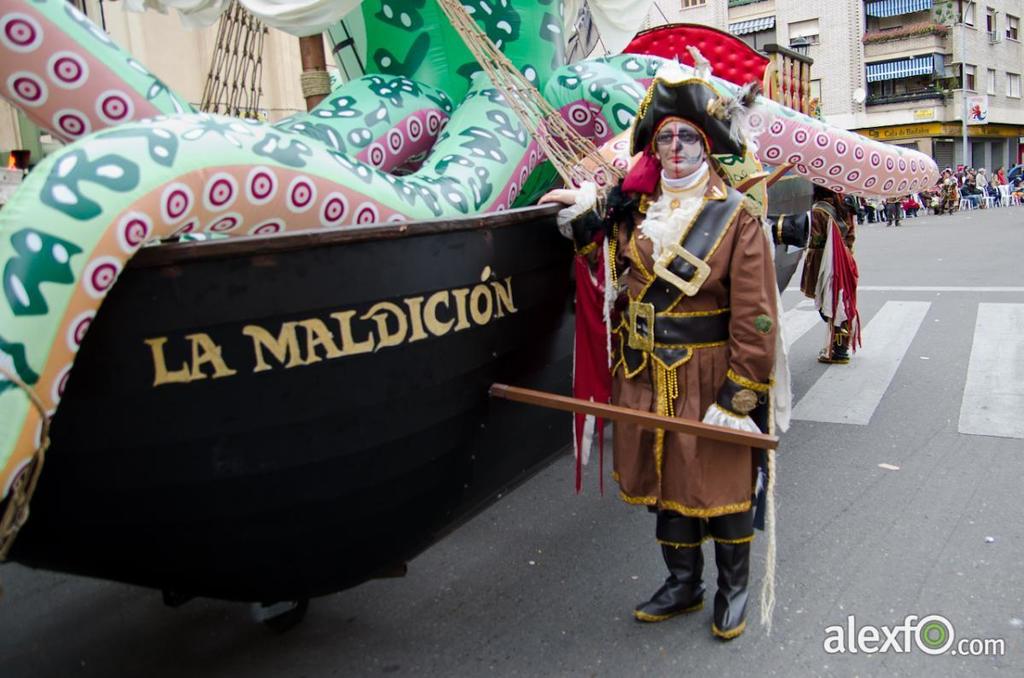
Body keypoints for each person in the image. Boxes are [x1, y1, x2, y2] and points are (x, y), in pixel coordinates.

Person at [541, 59, 782, 641]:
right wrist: (583, 219)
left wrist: (741, 395)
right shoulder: (636, 211)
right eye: (664, 137)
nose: (674, 146)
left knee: (721, 486)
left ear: (708, 148)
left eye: (688, 138)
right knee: (668, 483)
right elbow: (606, 280)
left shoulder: (737, 219)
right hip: (646, 372)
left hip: (712, 372)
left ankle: (733, 588)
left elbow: (756, 315)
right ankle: (682, 584)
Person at [800, 186, 860, 364]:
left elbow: (816, 240)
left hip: (823, 261)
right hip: (845, 258)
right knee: (841, 300)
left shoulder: (818, 210)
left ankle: (839, 348)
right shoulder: (844, 207)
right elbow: (850, 236)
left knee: (827, 302)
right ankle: (840, 345)